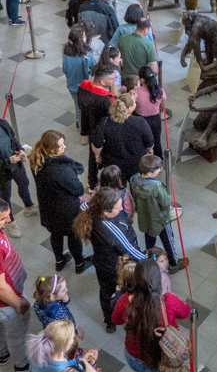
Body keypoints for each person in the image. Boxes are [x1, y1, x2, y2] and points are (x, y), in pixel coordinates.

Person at [112, 258, 189, 372]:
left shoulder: (125, 300)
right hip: (162, 356)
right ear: (158, 280)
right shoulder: (169, 300)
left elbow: (116, 320)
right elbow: (185, 312)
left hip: (134, 356)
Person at [74, 188, 145, 332]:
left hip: (101, 263)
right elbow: (129, 249)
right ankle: (128, 317)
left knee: (105, 292)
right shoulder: (111, 228)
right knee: (126, 291)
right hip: (117, 267)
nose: (121, 208)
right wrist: (147, 260)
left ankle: (109, 321)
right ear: (106, 212)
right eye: (118, 206)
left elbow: (84, 205)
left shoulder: (91, 209)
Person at [29, 130, 94, 274]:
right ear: (52, 149)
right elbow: (78, 190)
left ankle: (60, 260)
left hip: (48, 208)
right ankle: (80, 263)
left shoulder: (36, 160)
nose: (64, 147)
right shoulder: (60, 169)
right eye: (61, 145)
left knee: (55, 234)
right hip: (66, 209)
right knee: (73, 235)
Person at [130, 155, 185, 275]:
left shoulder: (134, 180)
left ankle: (150, 262)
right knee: (168, 241)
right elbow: (165, 204)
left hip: (145, 218)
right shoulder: (157, 187)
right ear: (150, 172)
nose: (160, 170)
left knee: (149, 240)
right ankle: (174, 263)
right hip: (160, 220)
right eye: (158, 169)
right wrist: (169, 198)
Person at [92, 93, 154, 183]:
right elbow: (149, 142)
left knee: (118, 186)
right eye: (134, 103)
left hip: (113, 163)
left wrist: (97, 155)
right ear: (129, 108)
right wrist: (150, 151)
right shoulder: (140, 122)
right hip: (136, 162)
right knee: (136, 183)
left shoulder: (105, 123)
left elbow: (97, 145)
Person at [0, 197, 30, 372]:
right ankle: (21, 365)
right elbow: (1, 288)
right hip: (7, 304)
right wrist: (19, 305)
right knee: (16, 336)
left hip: (7, 301)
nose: (9, 220)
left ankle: (2, 354)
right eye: (3, 218)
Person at [0, 113, 37, 239]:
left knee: (24, 184)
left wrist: (20, 149)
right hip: (2, 172)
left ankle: (29, 207)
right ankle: (11, 222)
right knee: (5, 197)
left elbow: (13, 139)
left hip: (15, 164)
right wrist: (7, 161)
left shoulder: (2, 123)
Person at [77, 64, 115, 186]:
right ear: (102, 81)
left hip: (88, 125)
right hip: (103, 131)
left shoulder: (83, 87)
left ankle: (91, 182)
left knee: (92, 157)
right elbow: (113, 117)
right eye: (111, 79)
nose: (114, 80)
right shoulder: (106, 100)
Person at [62, 27, 95, 127]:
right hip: (84, 87)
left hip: (72, 86)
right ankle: (83, 130)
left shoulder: (66, 56)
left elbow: (65, 70)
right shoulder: (87, 55)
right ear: (81, 40)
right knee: (84, 109)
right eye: (84, 36)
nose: (86, 38)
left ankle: (79, 125)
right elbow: (95, 68)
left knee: (78, 107)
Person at [33, 274, 83, 338]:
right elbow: (63, 329)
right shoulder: (55, 313)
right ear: (52, 297)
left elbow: (62, 304)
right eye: (63, 290)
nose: (67, 289)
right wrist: (76, 332)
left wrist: (66, 300)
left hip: (56, 328)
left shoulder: (44, 299)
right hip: (63, 334)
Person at [134, 66, 166, 157]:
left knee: (142, 141)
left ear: (142, 79)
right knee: (156, 140)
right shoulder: (160, 91)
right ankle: (158, 161)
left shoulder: (136, 92)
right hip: (155, 119)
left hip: (141, 120)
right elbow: (162, 106)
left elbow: (132, 106)